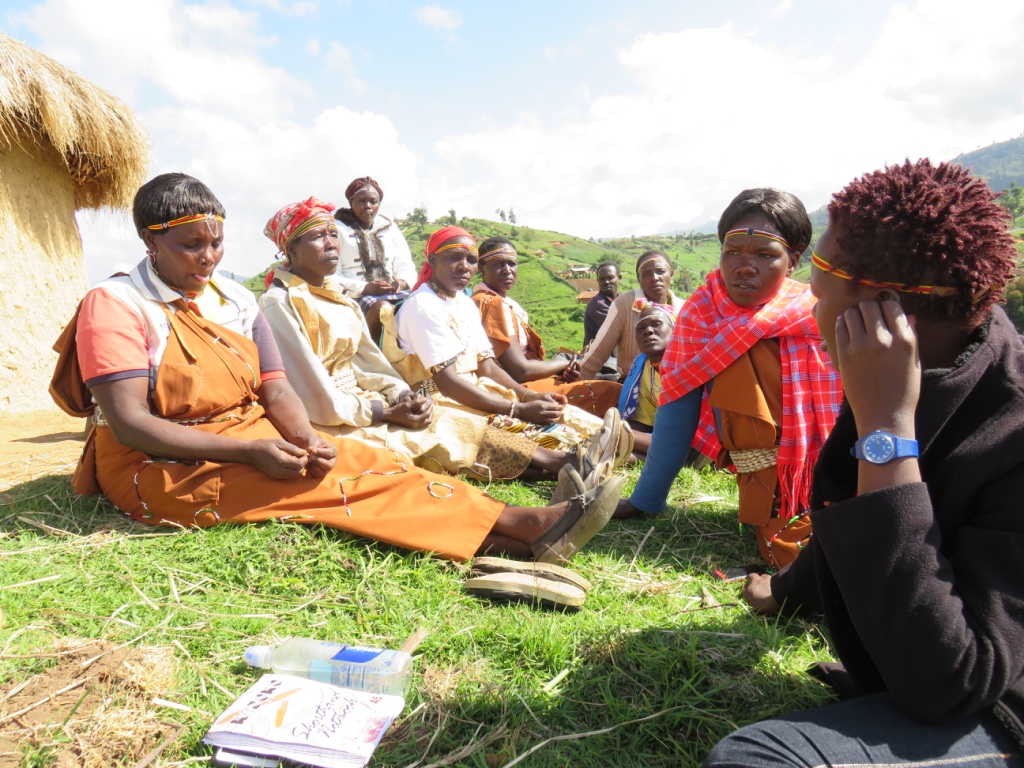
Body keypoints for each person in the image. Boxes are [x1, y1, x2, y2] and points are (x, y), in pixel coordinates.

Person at [49, 173, 624, 565]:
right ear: (151, 243)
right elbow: (127, 424)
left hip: (248, 430)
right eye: (190, 246)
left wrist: (304, 437)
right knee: (324, 484)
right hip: (160, 462)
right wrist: (253, 452)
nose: (208, 258)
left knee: (358, 458)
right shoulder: (118, 305)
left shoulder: (235, 300)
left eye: (216, 243)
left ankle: (508, 539)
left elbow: (273, 386)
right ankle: (522, 529)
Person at [707, 159, 1024, 767]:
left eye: (818, 294)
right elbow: (850, 502)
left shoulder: (1007, 425)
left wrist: (886, 432)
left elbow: (948, 683)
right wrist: (783, 592)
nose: (809, 309)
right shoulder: (913, 363)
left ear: (881, 313)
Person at [258, 198, 596, 482]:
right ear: (291, 249)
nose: (332, 244)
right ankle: (563, 465)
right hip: (332, 416)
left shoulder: (341, 299)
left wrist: (400, 395)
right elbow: (313, 390)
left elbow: (370, 364)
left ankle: (566, 462)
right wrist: (385, 412)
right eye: (318, 237)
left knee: (446, 422)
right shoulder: (279, 303)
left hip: (368, 403)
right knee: (447, 428)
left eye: (334, 234)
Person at [616, 189, 843, 570]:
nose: (744, 266)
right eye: (732, 251)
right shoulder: (702, 315)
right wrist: (646, 499)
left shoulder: (817, 312)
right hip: (771, 487)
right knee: (798, 558)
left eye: (765, 255)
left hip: (839, 468)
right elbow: (677, 409)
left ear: (793, 260)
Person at [383, 226, 630, 466]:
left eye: (470, 259)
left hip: (478, 391)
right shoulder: (423, 305)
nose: (464, 266)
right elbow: (448, 384)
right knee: (539, 439)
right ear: (432, 261)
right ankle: (602, 460)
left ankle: (644, 451)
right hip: (440, 401)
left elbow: (487, 368)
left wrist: (529, 395)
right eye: (454, 258)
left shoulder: (462, 302)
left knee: (568, 417)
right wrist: (518, 409)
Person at [471, 236, 622, 417]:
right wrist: (563, 363)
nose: (507, 270)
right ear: (481, 268)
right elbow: (521, 371)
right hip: (517, 388)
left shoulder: (498, 301)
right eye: (498, 264)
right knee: (613, 391)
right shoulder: (490, 303)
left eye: (512, 264)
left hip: (526, 379)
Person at [576, 251, 685, 381]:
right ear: (639, 279)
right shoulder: (623, 304)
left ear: (671, 275)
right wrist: (573, 384)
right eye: (646, 274)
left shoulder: (683, 309)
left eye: (660, 271)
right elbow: (598, 354)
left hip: (676, 385)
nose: (655, 277)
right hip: (634, 389)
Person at [332, 176, 417, 340]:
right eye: (361, 201)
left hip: (393, 291)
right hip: (354, 294)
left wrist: (402, 282)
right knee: (381, 309)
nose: (368, 206)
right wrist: (365, 288)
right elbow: (332, 275)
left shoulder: (389, 227)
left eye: (373, 201)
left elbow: (405, 263)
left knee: (418, 305)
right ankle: (373, 356)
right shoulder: (337, 229)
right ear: (351, 202)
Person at [617, 299, 677, 459]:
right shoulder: (645, 370)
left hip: (695, 443)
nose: (648, 331)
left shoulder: (688, 366)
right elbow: (645, 423)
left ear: (675, 330)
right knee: (614, 449)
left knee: (610, 434)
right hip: (664, 442)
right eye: (641, 328)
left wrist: (613, 429)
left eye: (656, 324)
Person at [583, 263, 622, 379]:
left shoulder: (622, 299)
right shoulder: (598, 304)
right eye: (602, 279)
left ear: (619, 278)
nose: (606, 282)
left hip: (615, 361)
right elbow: (621, 330)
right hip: (603, 366)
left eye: (610, 277)